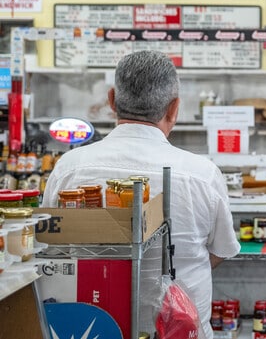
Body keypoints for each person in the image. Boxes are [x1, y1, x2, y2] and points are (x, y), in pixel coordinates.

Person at [42, 50, 240, 339]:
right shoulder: (202, 174)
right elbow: (221, 250)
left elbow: (51, 248)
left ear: (111, 101)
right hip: (179, 331)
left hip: (94, 328)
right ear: (174, 109)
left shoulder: (70, 168)